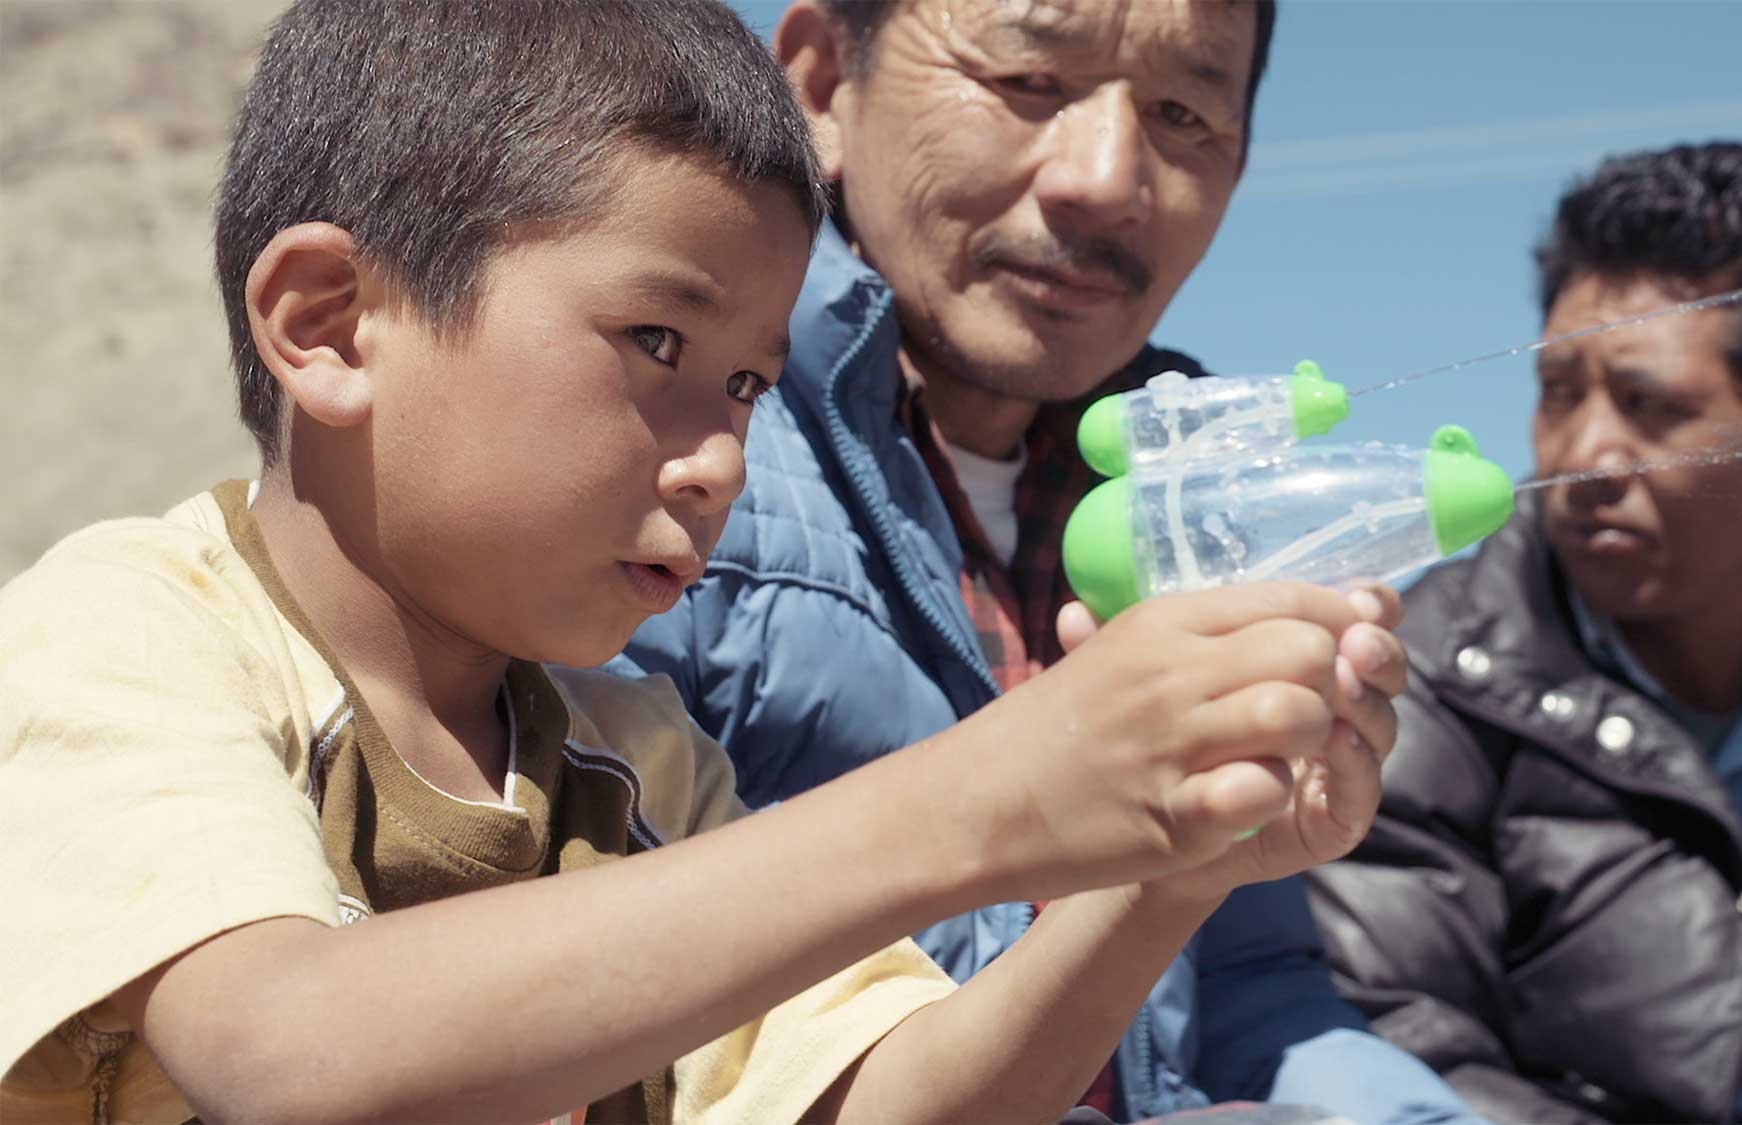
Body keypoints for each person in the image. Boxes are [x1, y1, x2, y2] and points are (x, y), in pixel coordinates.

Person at [0, 2, 1414, 1122]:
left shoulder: (639, 756)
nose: (719, 459)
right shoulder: (131, 634)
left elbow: (887, 1102)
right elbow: (291, 1053)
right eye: (658, 347)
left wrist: (1166, 868)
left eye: (748, 388)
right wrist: (992, 794)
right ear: (329, 324)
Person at [618, 1, 1482, 1122]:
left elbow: (1245, 988)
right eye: (1028, 82)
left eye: (1182, 111)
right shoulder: (663, 473)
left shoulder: (1194, 508)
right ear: (824, 86)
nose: (1106, 176)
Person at [1304, 140, 1742, 1125]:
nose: (1579, 455)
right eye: (1556, 391)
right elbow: (1397, 1050)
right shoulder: (1407, 691)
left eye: (1647, 405)